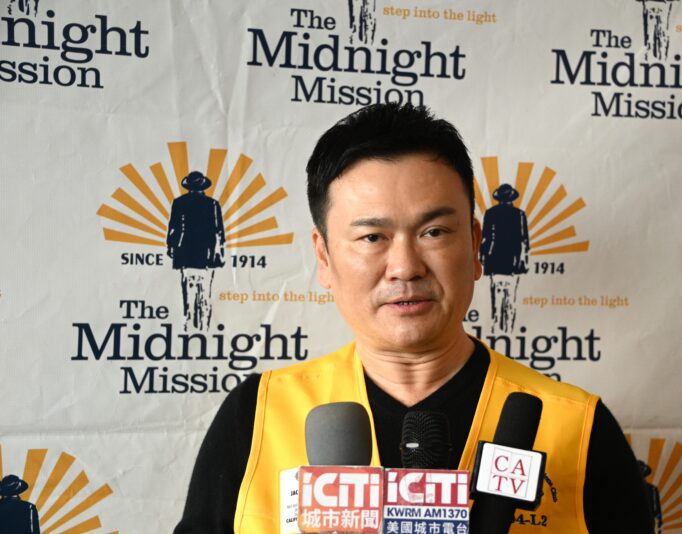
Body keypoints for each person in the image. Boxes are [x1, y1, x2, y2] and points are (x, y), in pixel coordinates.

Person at [175, 103, 652, 533]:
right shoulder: (257, 416)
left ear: (475, 245)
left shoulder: (578, 426)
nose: (405, 267)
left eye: (434, 231)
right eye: (372, 237)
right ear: (324, 257)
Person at [167, 171, 226, 331]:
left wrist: (171, 247)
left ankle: (188, 326)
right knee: (205, 293)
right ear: (203, 186)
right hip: (207, 255)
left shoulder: (179, 203)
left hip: (185, 254)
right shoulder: (212, 204)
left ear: (189, 186)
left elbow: (174, 228)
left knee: (187, 292)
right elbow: (219, 232)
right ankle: (204, 327)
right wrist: (219, 253)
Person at [480, 183, 530, 333]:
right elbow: (524, 241)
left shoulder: (491, 213)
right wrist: (523, 261)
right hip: (513, 261)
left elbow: (486, 239)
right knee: (510, 298)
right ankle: (509, 329)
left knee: (496, 296)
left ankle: (496, 328)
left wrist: (482, 256)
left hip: (494, 260)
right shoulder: (519, 214)